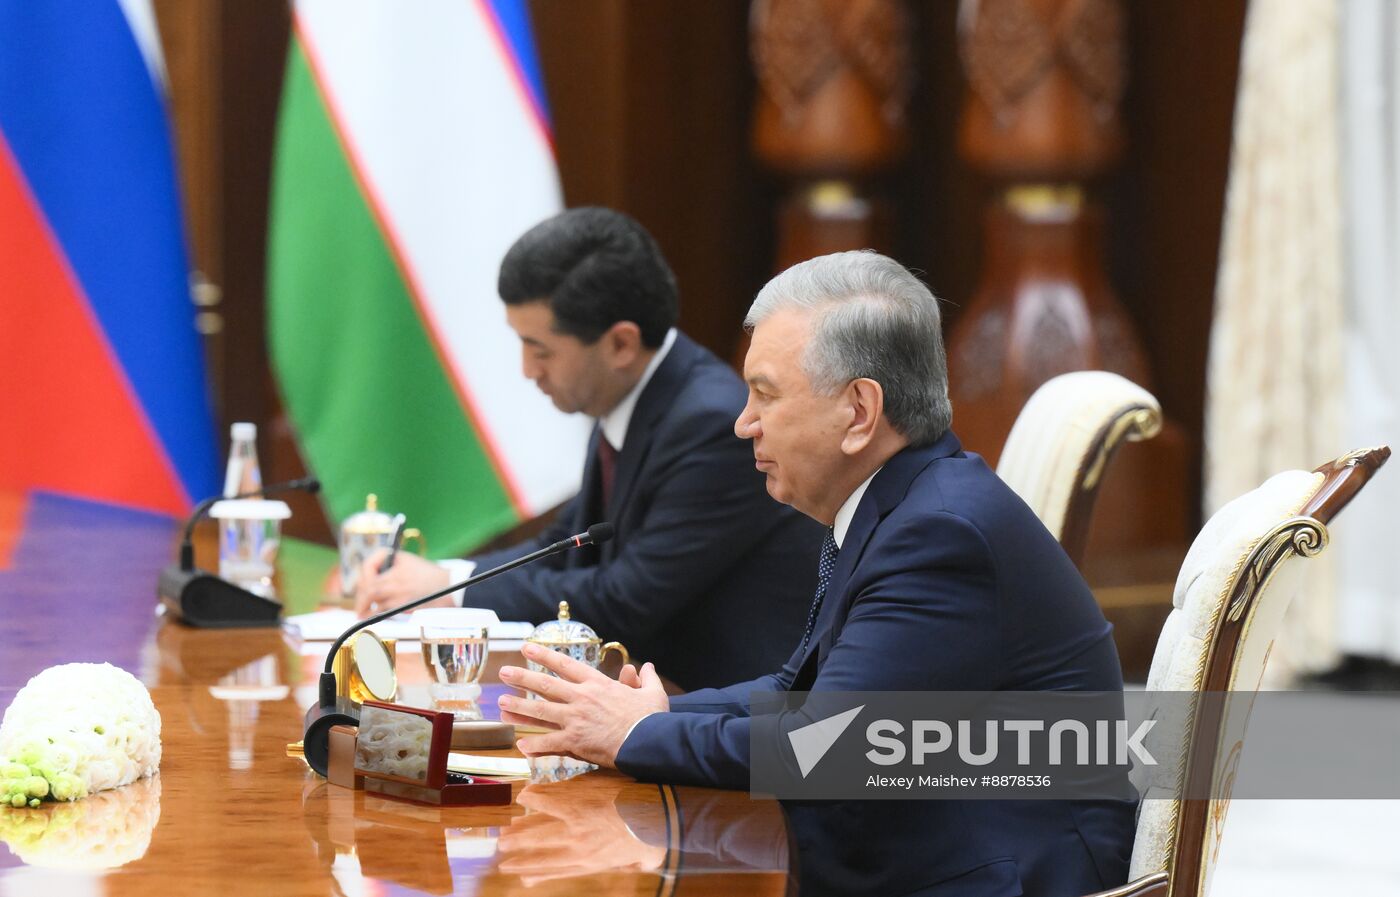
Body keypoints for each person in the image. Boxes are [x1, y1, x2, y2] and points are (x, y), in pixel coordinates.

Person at [495, 250, 1136, 896]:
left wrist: (638, 732)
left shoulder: (941, 535)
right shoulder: (901, 503)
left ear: (858, 411)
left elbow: (822, 747)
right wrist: (658, 710)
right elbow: (801, 688)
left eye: (764, 394)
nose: (743, 421)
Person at [354, 207, 822, 690]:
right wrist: (447, 576)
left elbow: (624, 600)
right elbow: (566, 544)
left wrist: (452, 594)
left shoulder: (710, 424)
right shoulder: (634, 396)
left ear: (620, 344)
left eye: (541, 351)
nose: (527, 370)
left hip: (756, 728)